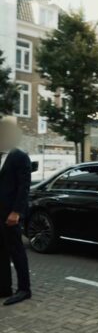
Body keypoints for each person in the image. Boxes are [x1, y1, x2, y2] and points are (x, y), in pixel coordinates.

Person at [0, 117, 32, 306]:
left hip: (11, 214)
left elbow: (24, 187)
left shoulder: (19, 156)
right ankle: (4, 287)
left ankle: (24, 289)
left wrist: (17, 212)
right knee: (0, 252)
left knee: (16, 251)